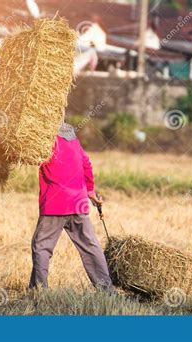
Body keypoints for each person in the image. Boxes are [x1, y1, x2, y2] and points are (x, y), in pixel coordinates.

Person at [29, 122, 115, 293]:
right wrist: (90, 191)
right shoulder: (71, 137)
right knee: (90, 246)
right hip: (78, 201)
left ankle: (38, 291)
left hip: (55, 203)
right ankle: (108, 291)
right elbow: (86, 163)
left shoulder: (43, 138)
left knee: (42, 246)